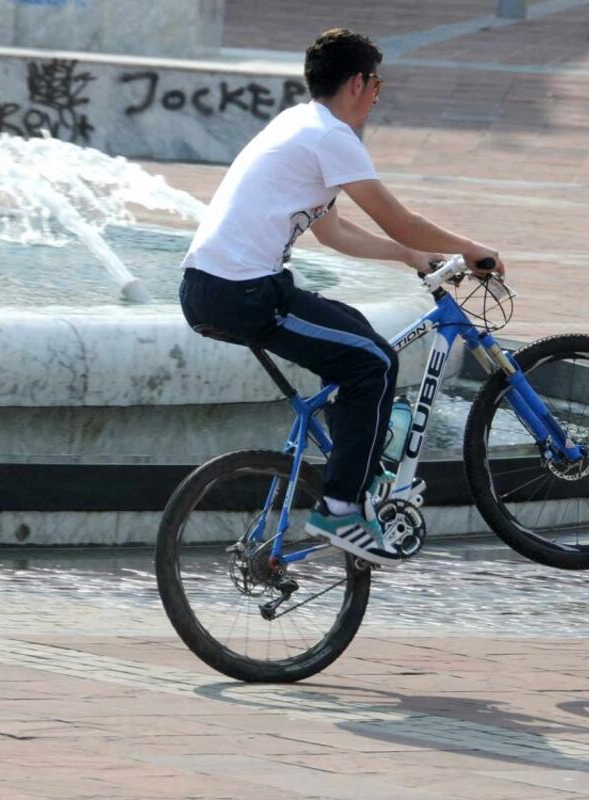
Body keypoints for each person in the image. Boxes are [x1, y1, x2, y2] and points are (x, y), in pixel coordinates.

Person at [178, 28, 505, 566]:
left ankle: (352, 452)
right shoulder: (331, 137)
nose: (377, 97)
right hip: (241, 293)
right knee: (372, 362)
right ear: (358, 83)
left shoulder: (300, 124)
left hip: (225, 288)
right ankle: (339, 507)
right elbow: (399, 217)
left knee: (356, 332)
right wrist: (471, 250)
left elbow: (334, 233)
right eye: (377, 85)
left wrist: (409, 257)